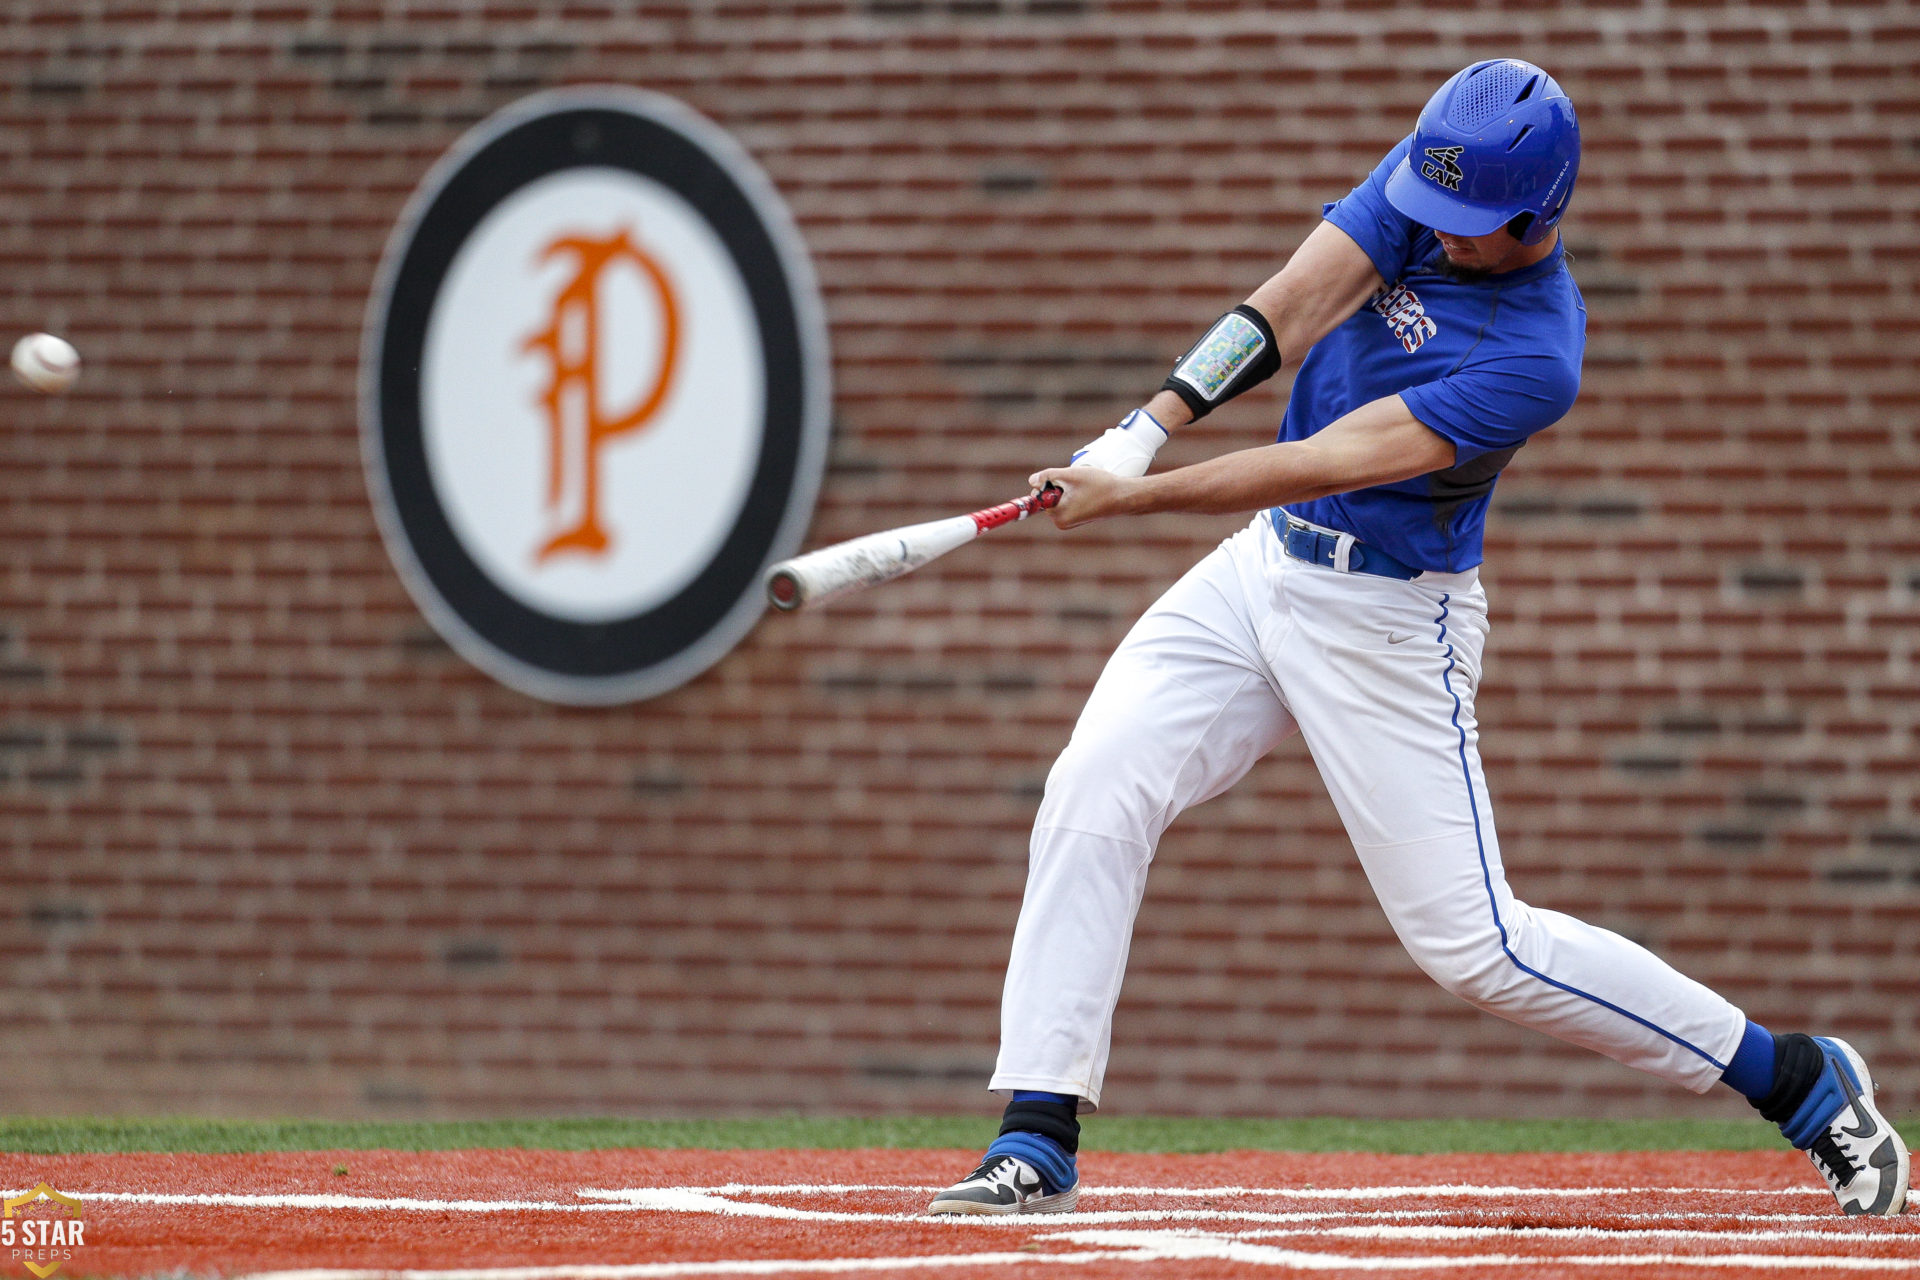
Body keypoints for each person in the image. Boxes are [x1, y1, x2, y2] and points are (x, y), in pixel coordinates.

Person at [926, 58, 1910, 1219]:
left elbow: (1331, 453)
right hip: (1261, 570)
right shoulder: (1443, 175)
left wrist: (1130, 497)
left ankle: (1796, 1077)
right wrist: (1140, 430)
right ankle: (1036, 1130)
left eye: (1468, 229)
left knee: (1476, 945)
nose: (1434, 235)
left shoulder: (1535, 359)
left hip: (1389, 621)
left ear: (1537, 216)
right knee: (1095, 782)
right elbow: (1288, 306)